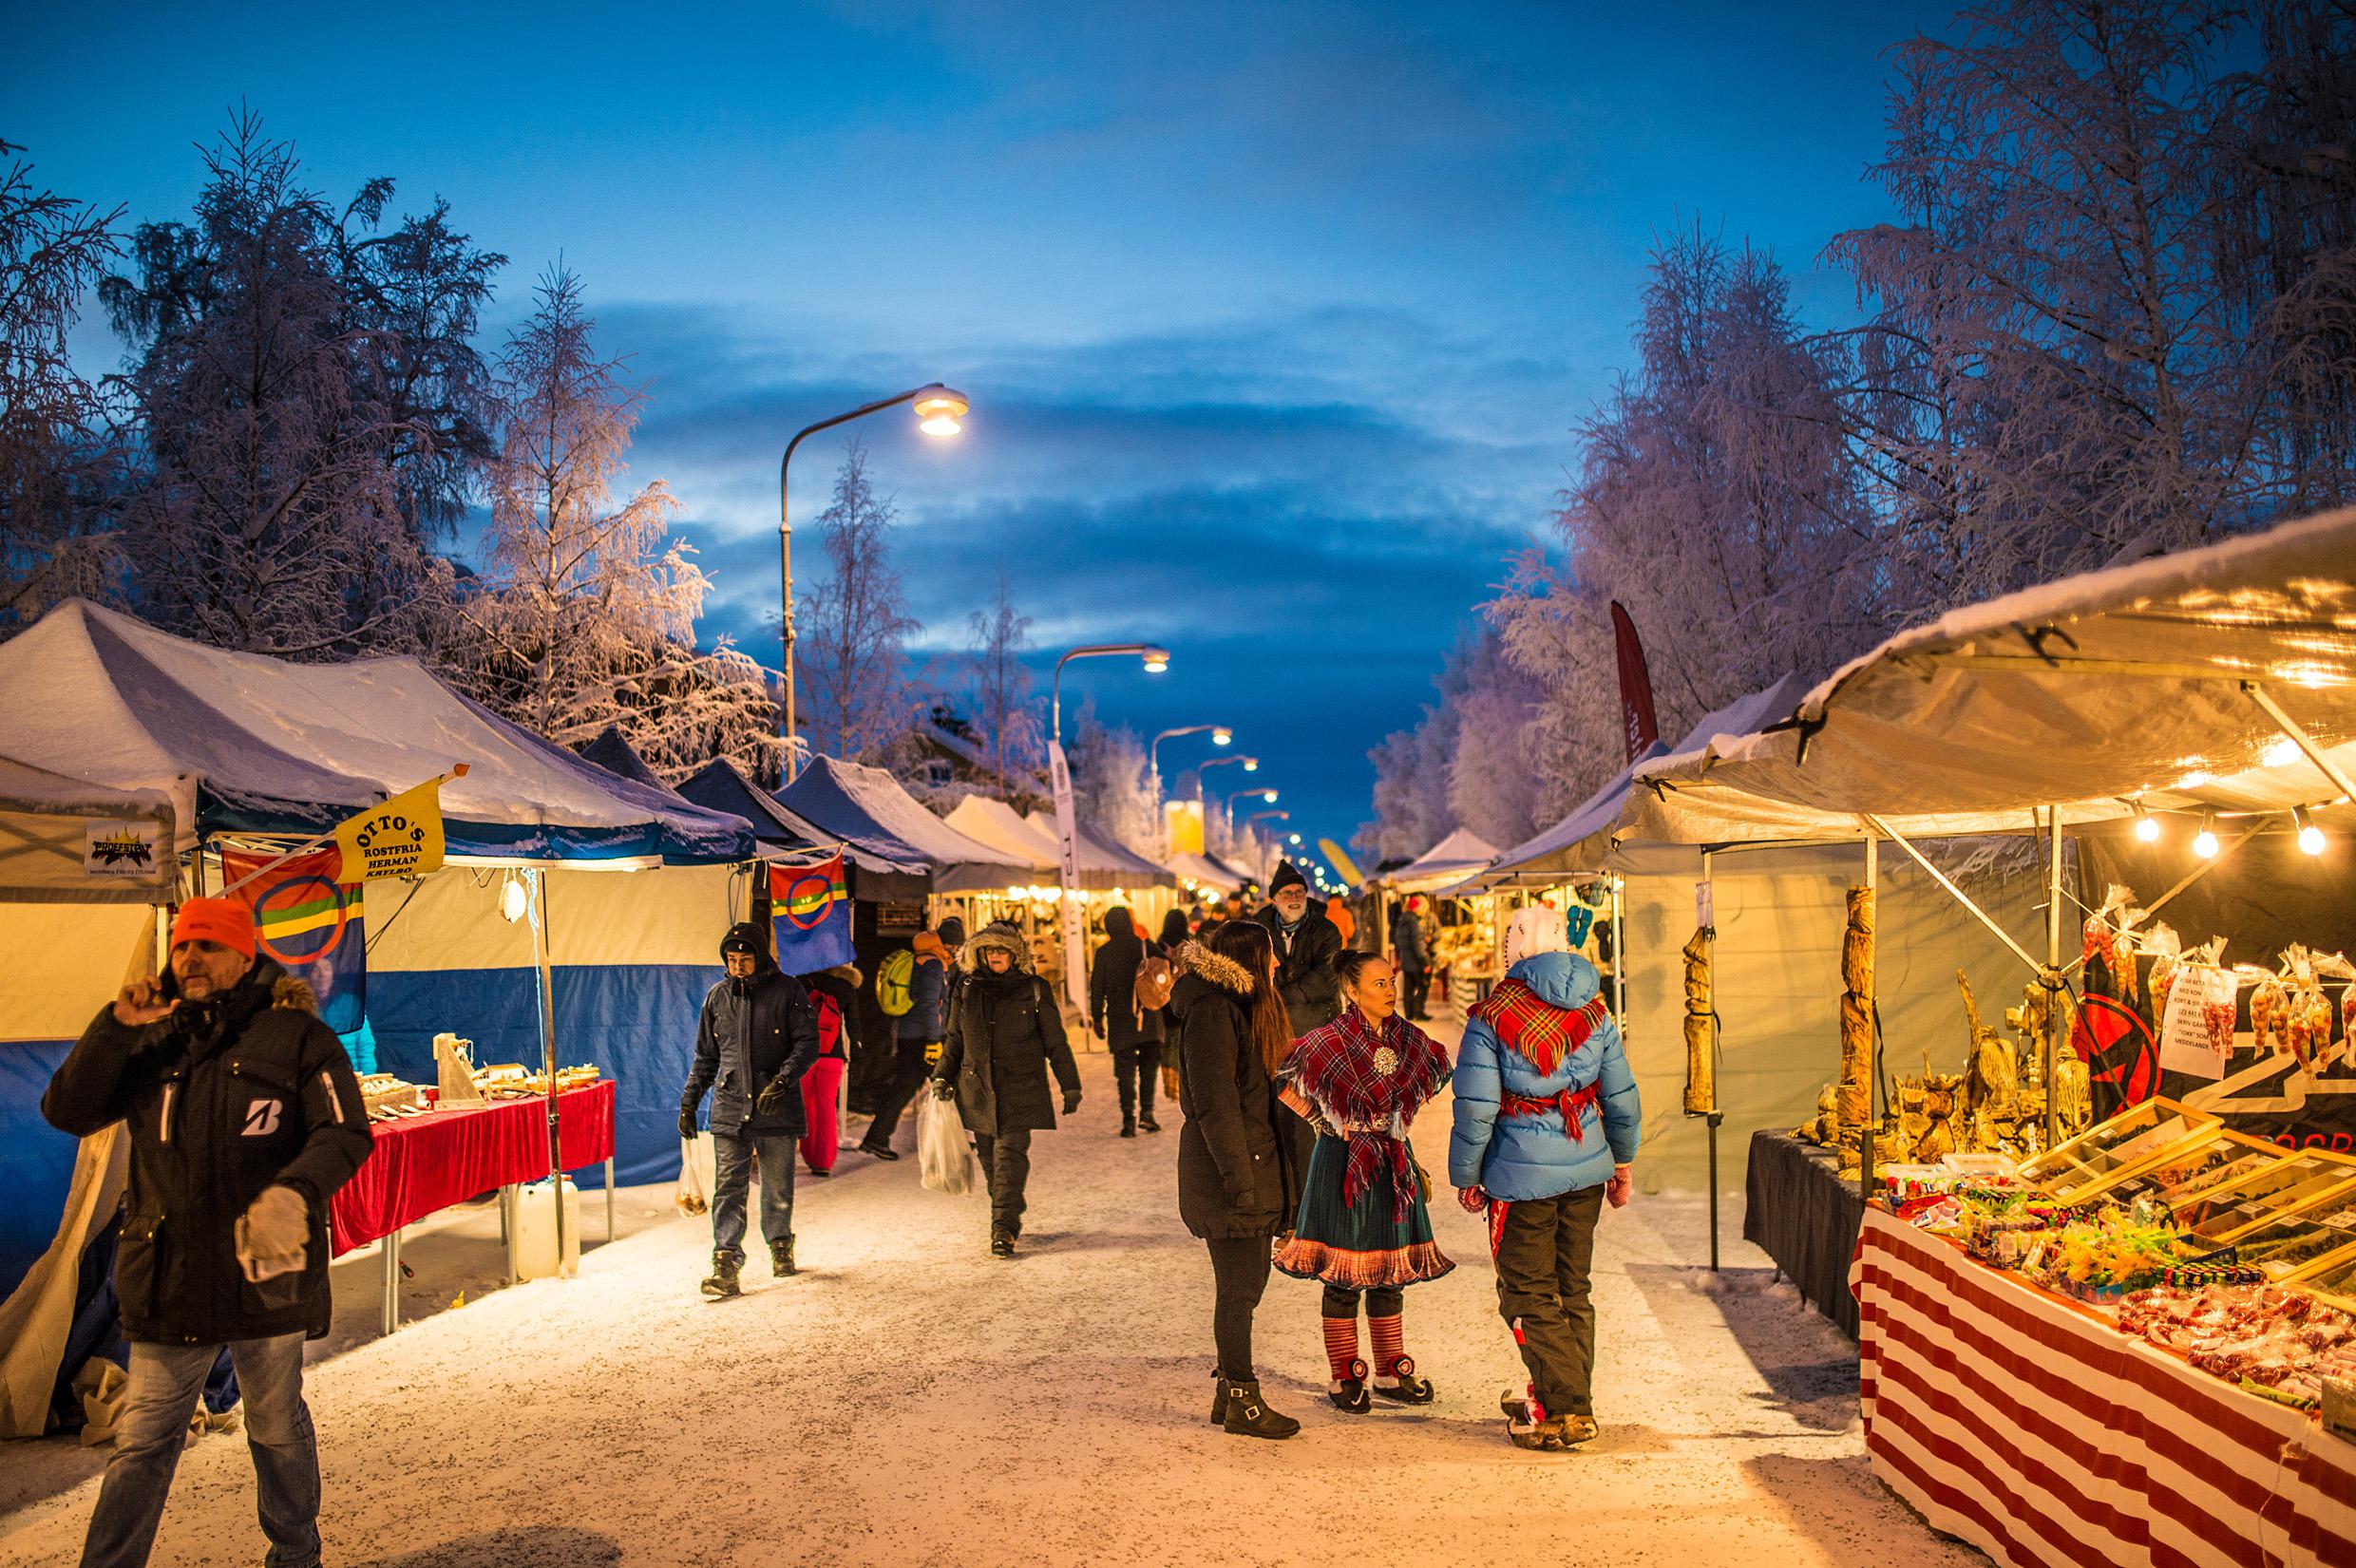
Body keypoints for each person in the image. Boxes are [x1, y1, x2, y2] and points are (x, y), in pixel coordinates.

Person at [42, 897, 371, 1568]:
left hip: (265, 1273)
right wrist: (117, 1024)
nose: (189, 959)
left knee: (275, 1426)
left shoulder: (298, 1036)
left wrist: (293, 1192)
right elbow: (67, 1109)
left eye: (207, 946)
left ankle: (295, 1554)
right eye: (182, 947)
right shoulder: (152, 1039)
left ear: (244, 955)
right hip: (172, 1279)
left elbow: (345, 1131)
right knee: (141, 1446)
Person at [1449, 904, 1641, 1451]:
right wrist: (1621, 1162)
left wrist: (1467, 1174)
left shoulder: (1491, 1015)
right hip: (1586, 1166)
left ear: (1513, 950)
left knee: (1527, 1293)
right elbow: (1621, 1097)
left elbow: (1477, 1106)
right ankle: (1563, 1397)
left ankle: (1568, 1406)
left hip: (1520, 1172)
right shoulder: (1596, 1010)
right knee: (1571, 1287)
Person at [1274, 951, 1454, 1411]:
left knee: (1388, 1272)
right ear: (1352, 992)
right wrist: (1328, 1121)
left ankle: (1391, 1372)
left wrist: (1393, 1123)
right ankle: (1344, 1375)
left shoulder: (1411, 1040)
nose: (1390, 989)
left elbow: (1437, 1070)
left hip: (1393, 1158)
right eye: (1378, 983)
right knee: (1341, 1276)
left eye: (1391, 980)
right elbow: (1285, 1079)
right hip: (1340, 1163)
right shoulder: (1326, 1042)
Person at [1173, 921, 1307, 1440]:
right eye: (1270, 954)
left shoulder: (1241, 1007)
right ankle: (1242, 1400)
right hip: (1230, 1171)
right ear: (1251, 957)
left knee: (1245, 1286)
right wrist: (1239, 1178)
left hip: (1250, 1162)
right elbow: (1214, 1104)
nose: (1277, 964)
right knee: (1239, 1291)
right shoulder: (1213, 1012)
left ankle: (1227, 1392)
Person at [679, 922, 824, 1296]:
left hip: (776, 1106)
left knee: (776, 1186)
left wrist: (784, 1080)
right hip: (730, 1107)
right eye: (732, 959)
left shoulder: (789, 991)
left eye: (745, 959)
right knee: (728, 1188)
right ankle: (726, 1261)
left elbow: (808, 1043)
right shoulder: (717, 997)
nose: (738, 966)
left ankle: (780, 1244)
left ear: (760, 958)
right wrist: (690, 1101)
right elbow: (705, 1057)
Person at [929, 922, 1081, 1257]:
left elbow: (1055, 1041)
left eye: (1003, 950)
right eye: (990, 950)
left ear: (1015, 955)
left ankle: (1003, 1229)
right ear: (980, 954)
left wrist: (1070, 1085)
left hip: (1020, 1087)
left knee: (1009, 1158)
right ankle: (1006, 1211)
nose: (996, 955)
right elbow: (955, 1039)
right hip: (977, 1088)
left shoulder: (1035, 989)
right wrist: (942, 1076)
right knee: (990, 1163)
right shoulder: (966, 988)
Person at [861, 928, 951, 1161]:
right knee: (946, 1082)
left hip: (907, 1034)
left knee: (904, 1088)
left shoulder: (917, 961)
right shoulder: (932, 965)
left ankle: (876, 1138)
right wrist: (934, 1040)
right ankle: (951, 1140)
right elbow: (930, 1005)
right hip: (923, 1037)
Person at [1088, 905, 1165, 1137]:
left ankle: (1128, 1119)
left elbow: (1097, 988)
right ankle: (1148, 1114)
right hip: (1149, 1016)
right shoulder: (1145, 946)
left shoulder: (1104, 953)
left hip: (1120, 1020)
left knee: (1125, 1072)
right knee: (1149, 1069)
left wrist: (1097, 1018)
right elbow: (1165, 971)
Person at [1252, 860, 1343, 1041]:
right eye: (1287, 893)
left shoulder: (1327, 930)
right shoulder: (1257, 931)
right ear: (1274, 900)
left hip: (1319, 1028)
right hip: (1274, 1027)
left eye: (1299, 892)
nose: (1294, 898)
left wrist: (1282, 997)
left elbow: (1327, 975)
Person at [798, 962, 862, 1176]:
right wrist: (857, 1053)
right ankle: (824, 1162)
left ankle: (809, 1156)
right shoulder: (845, 987)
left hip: (804, 1056)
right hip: (832, 1056)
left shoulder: (801, 981)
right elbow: (854, 1026)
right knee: (826, 1108)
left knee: (806, 1107)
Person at [1393, 895, 1433, 1021]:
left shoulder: (1401, 921)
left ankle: (1409, 1014)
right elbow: (1418, 944)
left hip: (1406, 960)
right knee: (1422, 986)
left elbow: (1399, 943)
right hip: (1416, 961)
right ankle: (1419, 1012)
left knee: (1408, 989)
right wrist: (1425, 961)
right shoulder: (1415, 922)